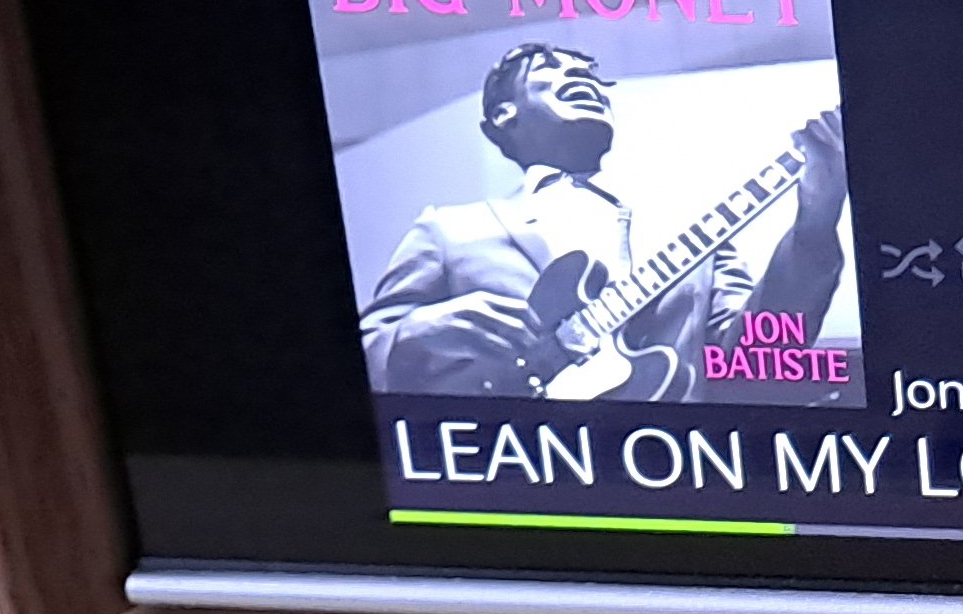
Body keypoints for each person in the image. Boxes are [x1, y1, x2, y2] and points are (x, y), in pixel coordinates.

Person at [357, 42, 848, 399]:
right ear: (502, 115)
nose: (582, 76)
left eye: (590, 73)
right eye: (551, 68)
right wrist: (419, 331)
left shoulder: (697, 238)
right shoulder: (450, 230)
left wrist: (815, 223)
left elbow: (761, 360)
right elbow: (367, 353)